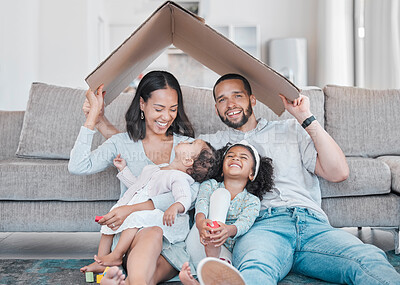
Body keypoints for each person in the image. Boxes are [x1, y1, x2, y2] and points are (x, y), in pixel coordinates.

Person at [69, 70, 201, 284]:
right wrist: (93, 117)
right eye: (159, 108)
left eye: (173, 109)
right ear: (142, 104)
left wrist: (131, 209)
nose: (166, 117)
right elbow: (78, 166)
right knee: (153, 232)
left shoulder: (186, 146)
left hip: (173, 241)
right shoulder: (122, 143)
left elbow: (192, 194)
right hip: (133, 235)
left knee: (148, 275)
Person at [91, 138, 218, 269]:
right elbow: (138, 187)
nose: (187, 140)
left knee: (135, 217)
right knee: (111, 216)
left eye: (191, 144)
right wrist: (123, 170)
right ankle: (100, 260)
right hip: (144, 210)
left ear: (188, 160)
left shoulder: (179, 177)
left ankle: (117, 255)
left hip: (166, 219)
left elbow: (184, 197)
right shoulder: (157, 168)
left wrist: (176, 206)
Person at [179, 141, 274, 285]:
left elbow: (244, 223)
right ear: (222, 169)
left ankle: (200, 282)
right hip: (200, 239)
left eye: (243, 157)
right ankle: (211, 253)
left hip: (223, 252)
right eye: (230, 156)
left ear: (252, 173)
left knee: (226, 269)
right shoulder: (210, 184)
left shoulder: (252, 201)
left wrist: (228, 230)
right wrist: (200, 222)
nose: (236, 158)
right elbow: (202, 203)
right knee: (222, 194)